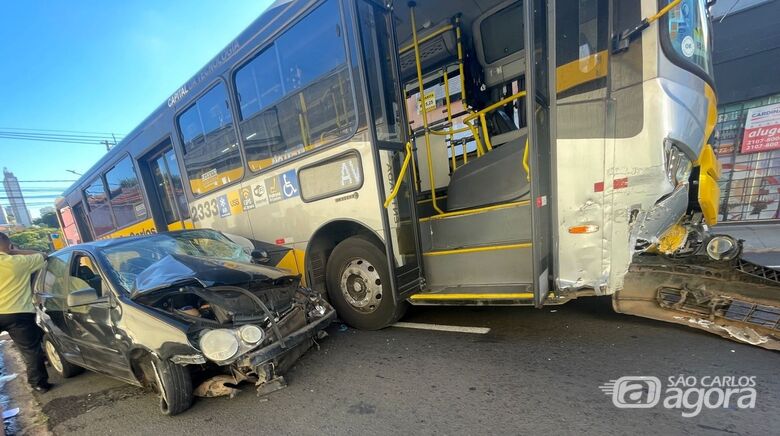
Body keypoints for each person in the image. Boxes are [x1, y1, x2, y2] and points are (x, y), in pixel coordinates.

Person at [0, 232, 51, 393]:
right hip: (18, 313)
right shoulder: (17, 262)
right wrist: (13, 252)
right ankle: (39, 384)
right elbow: (43, 255)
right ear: (8, 245)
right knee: (30, 350)